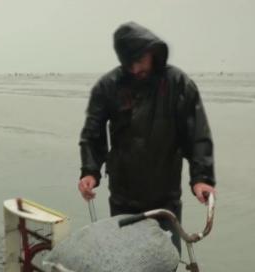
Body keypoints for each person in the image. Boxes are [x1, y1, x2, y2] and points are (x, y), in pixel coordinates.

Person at [78, 22, 216, 254]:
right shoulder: (109, 86)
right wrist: (89, 172)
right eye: (129, 63)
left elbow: (197, 135)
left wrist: (201, 178)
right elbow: (93, 133)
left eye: (140, 60)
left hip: (166, 200)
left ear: (152, 52)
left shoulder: (178, 84)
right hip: (123, 199)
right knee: (126, 263)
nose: (135, 69)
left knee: (166, 262)